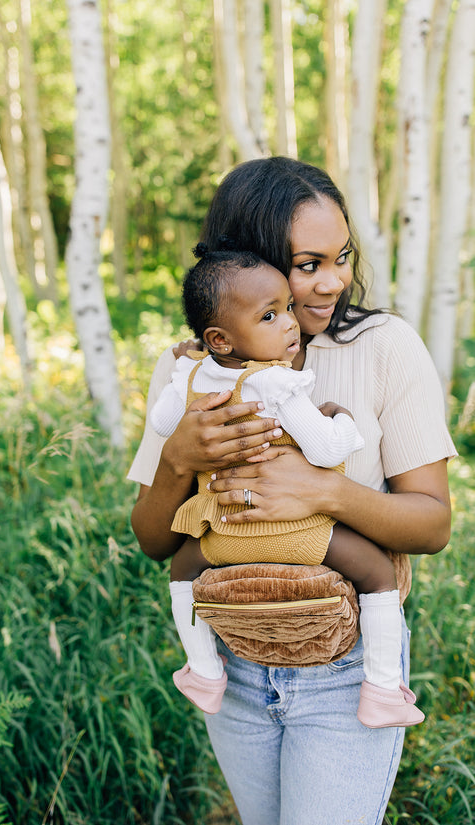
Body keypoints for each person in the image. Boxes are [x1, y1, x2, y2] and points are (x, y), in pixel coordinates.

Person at [128, 156, 456, 825]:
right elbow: (155, 542)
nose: (333, 280)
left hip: (349, 666)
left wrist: (320, 492)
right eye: (308, 264)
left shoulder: (383, 347)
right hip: (235, 658)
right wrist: (176, 460)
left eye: (341, 256)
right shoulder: (189, 367)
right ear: (249, 265)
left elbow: (432, 525)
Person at [149, 244, 424, 729]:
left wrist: (184, 404)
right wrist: (340, 419)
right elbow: (324, 451)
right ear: (222, 336)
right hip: (295, 534)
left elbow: (163, 419)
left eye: (287, 310)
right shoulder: (279, 383)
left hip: (221, 532)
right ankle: (382, 687)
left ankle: (204, 671)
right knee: (378, 573)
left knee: (179, 573)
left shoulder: (192, 373)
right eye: (271, 315)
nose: (289, 324)